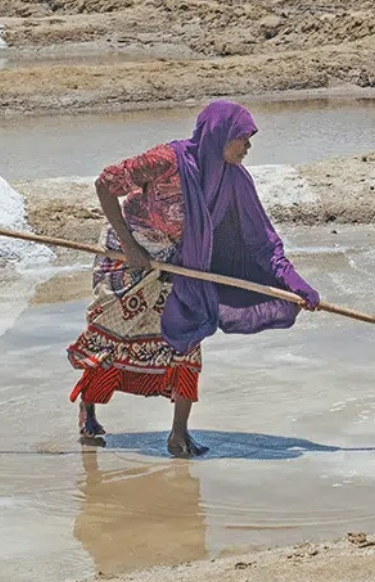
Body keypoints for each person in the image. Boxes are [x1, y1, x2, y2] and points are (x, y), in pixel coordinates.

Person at [67, 100, 320, 458]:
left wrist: (296, 284)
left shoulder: (234, 180)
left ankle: (178, 434)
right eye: (243, 138)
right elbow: (105, 184)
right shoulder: (165, 160)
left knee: (187, 340)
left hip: (182, 265)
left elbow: (263, 243)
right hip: (129, 259)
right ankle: (88, 410)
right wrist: (130, 246)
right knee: (113, 338)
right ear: (220, 135)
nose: (248, 146)